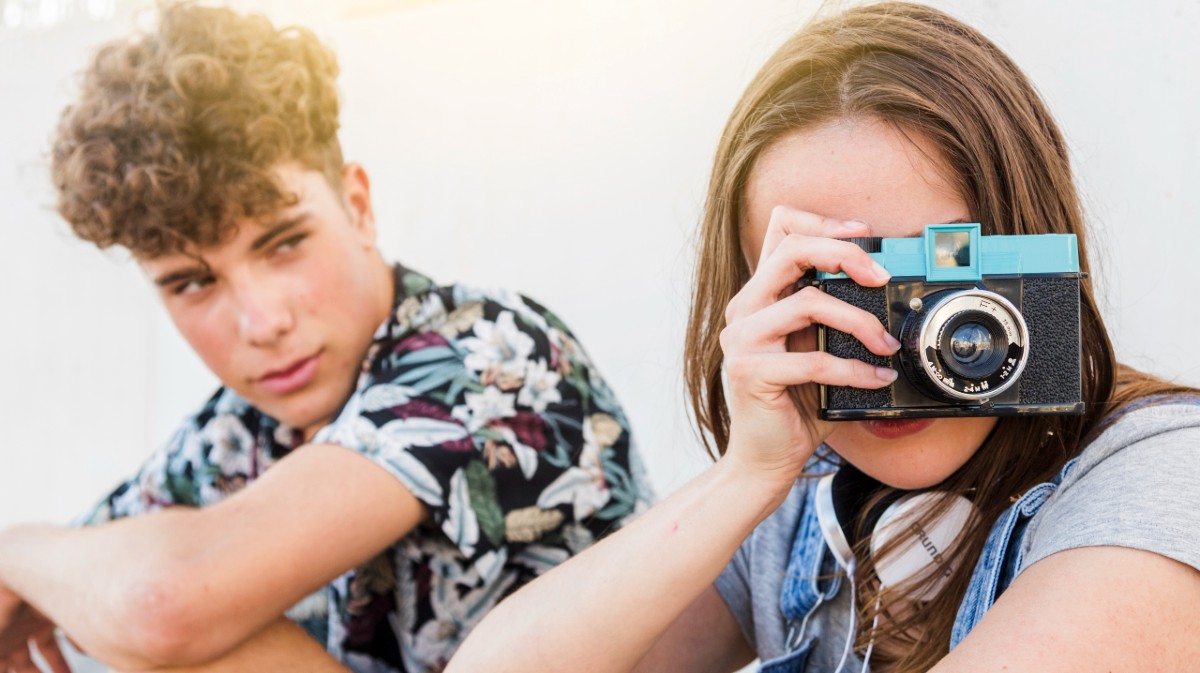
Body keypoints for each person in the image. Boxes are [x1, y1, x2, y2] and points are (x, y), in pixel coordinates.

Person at [447, 3, 1200, 672]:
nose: (886, 341)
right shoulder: (793, 496)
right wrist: (744, 475)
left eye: (934, 283)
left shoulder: (1163, 476)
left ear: (1036, 256)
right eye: (827, 288)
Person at [0, 2, 650, 672]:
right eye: (193, 283)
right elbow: (97, 568)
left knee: (178, 636)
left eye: (284, 243)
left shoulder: (485, 355)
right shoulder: (242, 430)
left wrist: (14, 550)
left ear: (358, 207)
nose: (263, 321)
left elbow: (162, 601)